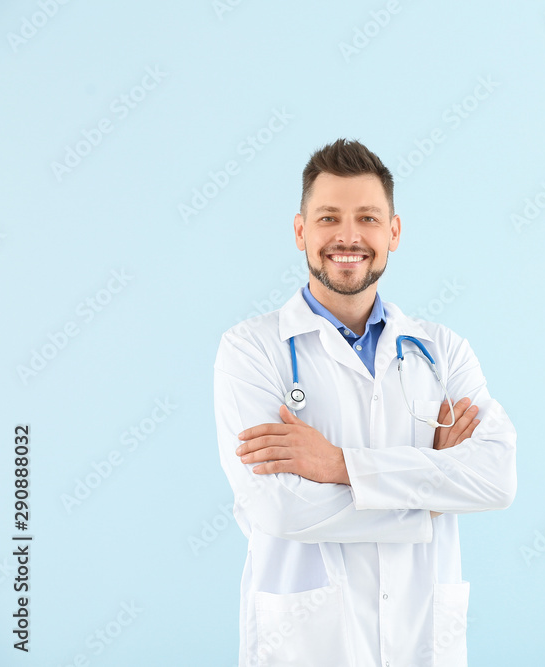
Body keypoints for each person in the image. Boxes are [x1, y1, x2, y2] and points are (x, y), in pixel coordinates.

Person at [213, 138, 517, 667]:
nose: (348, 237)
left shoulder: (442, 351)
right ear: (301, 231)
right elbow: (278, 507)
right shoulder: (250, 349)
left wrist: (336, 466)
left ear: (393, 232)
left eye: (368, 218)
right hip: (307, 642)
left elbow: (496, 477)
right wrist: (435, 491)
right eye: (328, 217)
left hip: (422, 639)